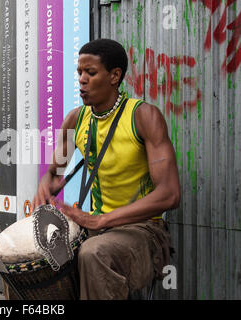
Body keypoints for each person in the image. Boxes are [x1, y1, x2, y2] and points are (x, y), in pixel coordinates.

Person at [33, 39, 181, 300]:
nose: (82, 80)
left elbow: (169, 195)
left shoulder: (143, 117)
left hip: (143, 229)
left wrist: (102, 220)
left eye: (90, 73)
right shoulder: (75, 119)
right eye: (79, 72)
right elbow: (54, 172)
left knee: (93, 253)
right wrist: (47, 184)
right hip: (96, 225)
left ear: (114, 76)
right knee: (34, 250)